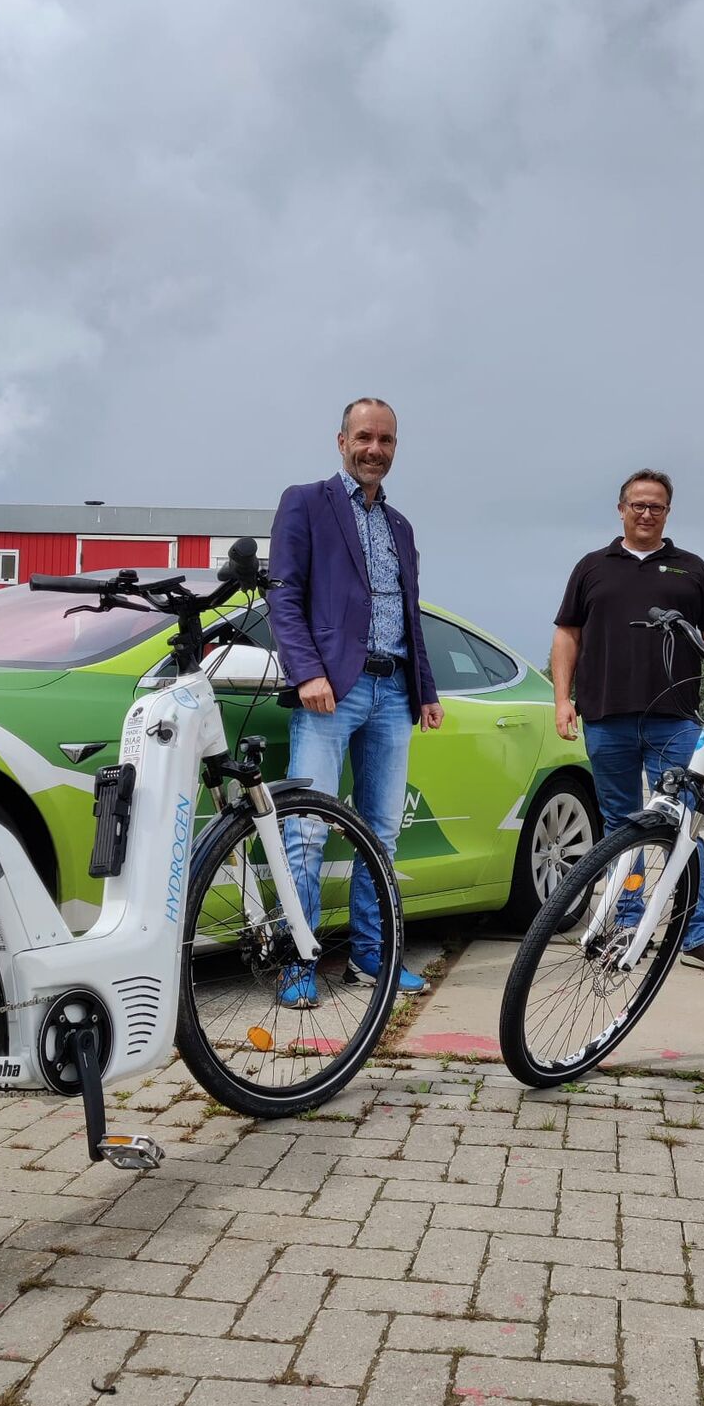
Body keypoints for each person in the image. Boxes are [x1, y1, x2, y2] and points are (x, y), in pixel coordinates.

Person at [267, 397, 443, 1007]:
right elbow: (283, 597)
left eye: (386, 440)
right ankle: (299, 960)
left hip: (393, 691)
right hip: (329, 693)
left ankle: (371, 958)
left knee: (383, 835)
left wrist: (424, 688)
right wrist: (307, 672)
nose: (375, 449)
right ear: (340, 440)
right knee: (307, 832)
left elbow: (407, 613)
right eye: (365, 437)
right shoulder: (306, 502)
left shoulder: (401, 528)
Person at [551, 469, 704, 977]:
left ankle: (696, 933)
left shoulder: (691, 569)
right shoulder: (592, 567)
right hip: (606, 717)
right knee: (620, 828)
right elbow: (567, 636)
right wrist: (561, 700)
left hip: (674, 720)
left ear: (667, 512)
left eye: (656, 506)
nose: (646, 513)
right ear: (621, 508)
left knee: (685, 826)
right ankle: (625, 922)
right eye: (637, 504)